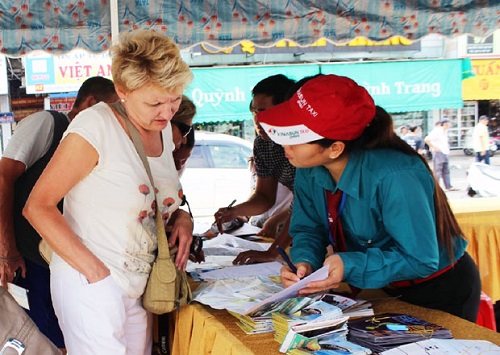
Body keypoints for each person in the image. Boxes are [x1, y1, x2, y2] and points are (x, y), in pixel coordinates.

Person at [257, 74, 481, 322]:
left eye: (295, 138)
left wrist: (349, 265)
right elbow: (309, 229)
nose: (284, 145)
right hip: (385, 286)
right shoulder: (307, 168)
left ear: (335, 148)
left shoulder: (395, 176)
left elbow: (421, 258)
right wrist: (304, 263)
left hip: (440, 288)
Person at [23, 29, 194, 354]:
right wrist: (95, 274)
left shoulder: (165, 133)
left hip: (137, 284)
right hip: (91, 282)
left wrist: (183, 217)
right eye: (155, 102)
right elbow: (37, 205)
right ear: (122, 91)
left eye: (174, 99)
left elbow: (163, 197)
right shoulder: (95, 126)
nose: (167, 112)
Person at [0, 76, 118, 350]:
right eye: (110, 109)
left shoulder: (93, 145)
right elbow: (3, 177)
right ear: (90, 103)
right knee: (38, 340)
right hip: (29, 260)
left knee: (66, 341)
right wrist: (7, 250)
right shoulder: (49, 124)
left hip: (64, 265)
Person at [214, 74, 297, 265]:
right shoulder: (263, 143)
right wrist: (234, 211)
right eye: (254, 112)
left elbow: (304, 206)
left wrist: (272, 252)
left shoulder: (301, 142)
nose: (257, 119)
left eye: (263, 111)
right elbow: (264, 197)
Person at [424, 119, 459, 191]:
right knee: (437, 171)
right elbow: (427, 139)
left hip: (445, 152)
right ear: (445, 123)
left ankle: (448, 186)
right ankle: (436, 187)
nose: (450, 125)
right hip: (438, 153)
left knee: (446, 170)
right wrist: (434, 147)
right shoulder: (437, 131)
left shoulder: (445, 131)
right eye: (449, 123)